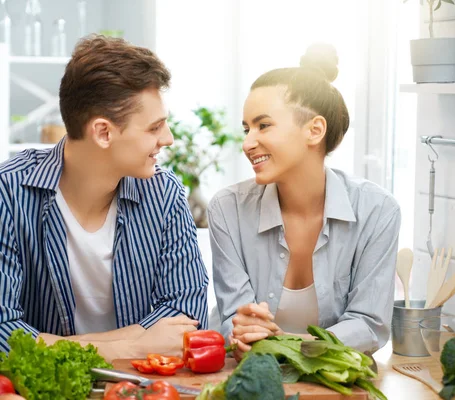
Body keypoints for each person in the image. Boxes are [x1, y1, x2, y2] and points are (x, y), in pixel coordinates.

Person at [0, 35, 208, 361]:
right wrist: (134, 345)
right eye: (154, 128)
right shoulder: (9, 193)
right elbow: (3, 333)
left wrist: (59, 345)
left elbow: (187, 317)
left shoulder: (164, 194)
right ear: (103, 132)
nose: (167, 139)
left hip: (141, 389)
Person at [209, 44, 401, 361]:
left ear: (314, 130)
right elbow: (237, 320)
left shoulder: (377, 211)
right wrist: (246, 331)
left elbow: (370, 326)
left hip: (329, 384)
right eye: (246, 128)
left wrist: (290, 346)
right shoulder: (228, 209)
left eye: (263, 125)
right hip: (246, 377)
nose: (247, 143)